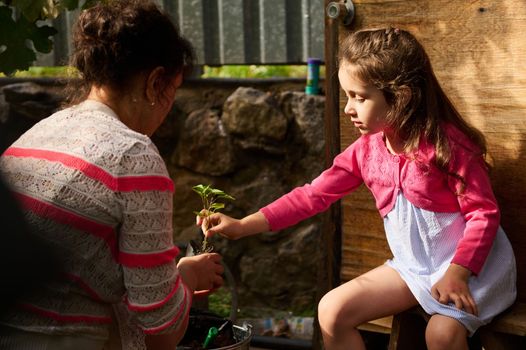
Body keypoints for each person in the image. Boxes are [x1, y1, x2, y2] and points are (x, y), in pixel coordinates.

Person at [197, 27, 517, 350]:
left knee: (441, 334)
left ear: (400, 97)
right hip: (415, 271)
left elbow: (483, 214)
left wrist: (458, 274)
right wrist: (241, 226)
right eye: (347, 95)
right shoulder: (366, 152)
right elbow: (312, 195)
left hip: (470, 271)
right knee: (332, 310)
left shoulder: (447, 147)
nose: (349, 108)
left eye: (359, 97)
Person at [0, 1, 224, 349]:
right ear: (154, 83)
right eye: (173, 90)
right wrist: (188, 275)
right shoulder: (132, 155)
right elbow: (161, 330)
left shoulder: (42, 131)